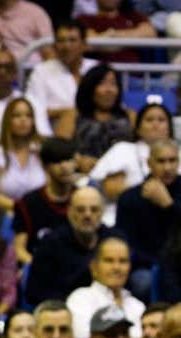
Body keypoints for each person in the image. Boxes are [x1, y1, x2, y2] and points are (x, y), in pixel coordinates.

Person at [25, 186, 116, 306]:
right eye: (80, 210)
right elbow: (36, 292)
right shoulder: (51, 244)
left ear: (102, 212)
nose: (87, 215)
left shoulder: (114, 240)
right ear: (69, 212)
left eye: (94, 210)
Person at [116, 140, 181, 297]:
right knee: (144, 282)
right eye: (161, 161)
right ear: (149, 163)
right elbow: (124, 240)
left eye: (172, 160)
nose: (167, 168)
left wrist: (169, 206)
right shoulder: (130, 197)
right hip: (145, 265)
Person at [94, 106, 175, 219]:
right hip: (123, 216)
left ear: (170, 128)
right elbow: (110, 189)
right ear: (138, 128)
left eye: (161, 120)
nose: (155, 124)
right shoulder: (123, 149)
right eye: (149, 120)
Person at [23, 21, 98, 133]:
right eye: (61, 41)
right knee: (69, 116)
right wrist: (63, 113)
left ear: (84, 44)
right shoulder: (41, 71)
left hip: (95, 128)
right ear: (54, 46)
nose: (66, 46)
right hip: (55, 131)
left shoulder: (96, 68)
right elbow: (33, 109)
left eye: (72, 40)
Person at [66, 237, 145, 338]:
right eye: (109, 260)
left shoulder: (138, 306)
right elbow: (83, 337)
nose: (116, 267)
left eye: (123, 261)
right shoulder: (80, 299)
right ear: (94, 267)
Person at [13, 138, 78, 264]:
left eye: (68, 160)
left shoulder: (86, 200)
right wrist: (39, 268)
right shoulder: (27, 203)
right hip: (41, 269)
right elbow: (19, 249)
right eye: (57, 161)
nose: (64, 166)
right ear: (45, 167)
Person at [57, 64, 136, 164]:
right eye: (103, 83)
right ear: (90, 87)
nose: (109, 90)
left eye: (113, 84)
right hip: (82, 173)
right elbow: (59, 150)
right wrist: (79, 160)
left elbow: (142, 147)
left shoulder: (130, 116)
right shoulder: (73, 115)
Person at [0, 98, 46, 211]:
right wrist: (22, 210)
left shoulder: (42, 152)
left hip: (41, 213)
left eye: (28, 115)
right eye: (17, 116)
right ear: (7, 121)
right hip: (8, 215)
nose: (23, 120)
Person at [78, 0, 156, 63]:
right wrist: (131, 39)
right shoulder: (84, 19)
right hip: (99, 75)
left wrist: (111, 35)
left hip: (133, 75)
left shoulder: (135, 17)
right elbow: (88, 42)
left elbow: (150, 34)